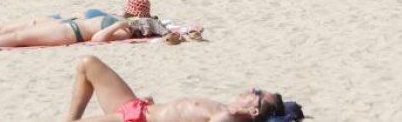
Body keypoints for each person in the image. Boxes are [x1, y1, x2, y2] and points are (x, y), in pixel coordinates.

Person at [64, 56, 290, 122]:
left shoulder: (225, 116)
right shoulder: (221, 108)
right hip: (138, 107)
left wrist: (234, 113)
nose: (251, 89)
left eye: (257, 93)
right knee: (88, 64)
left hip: (137, 120)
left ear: (254, 111)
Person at [0, 0, 170, 49]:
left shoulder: (125, 29)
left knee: (17, 38)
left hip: (70, 32)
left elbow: (98, 39)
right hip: (64, 22)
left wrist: (119, 26)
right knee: (3, 28)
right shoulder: (119, 18)